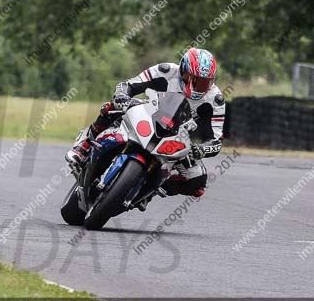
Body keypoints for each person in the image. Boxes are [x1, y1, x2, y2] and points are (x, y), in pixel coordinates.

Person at [65, 48, 225, 199]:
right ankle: (83, 146)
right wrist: (122, 95)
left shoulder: (215, 99)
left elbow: (216, 140)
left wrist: (201, 150)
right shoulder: (166, 71)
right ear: (182, 70)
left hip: (177, 136)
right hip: (147, 114)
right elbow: (128, 84)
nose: (196, 87)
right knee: (111, 106)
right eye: (192, 79)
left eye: (204, 82)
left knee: (198, 183)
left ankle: (155, 188)